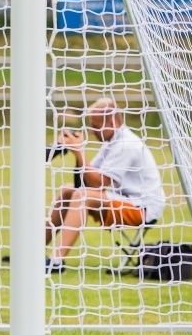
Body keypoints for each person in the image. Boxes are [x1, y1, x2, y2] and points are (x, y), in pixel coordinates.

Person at [45, 97, 166, 273]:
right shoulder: (111, 142)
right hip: (124, 200)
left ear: (111, 121)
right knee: (67, 191)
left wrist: (79, 152)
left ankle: (57, 261)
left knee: (82, 196)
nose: (92, 132)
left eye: (95, 126)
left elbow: (98, 184)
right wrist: (70, 149)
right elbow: (85, 181)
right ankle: (29, 252)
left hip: (142, 208)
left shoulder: (127, 144)